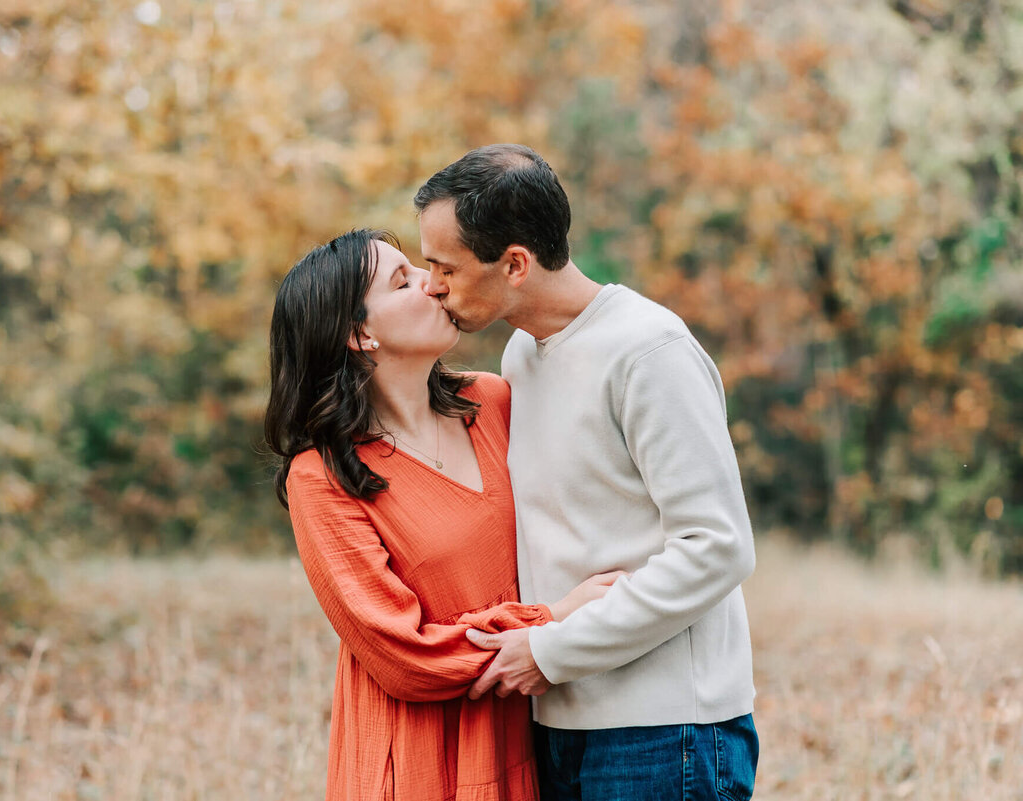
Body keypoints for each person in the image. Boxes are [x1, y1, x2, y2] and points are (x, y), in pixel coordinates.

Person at [414, 144, 760, 800]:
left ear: (515, 263)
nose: (432, 284)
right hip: (559, 723)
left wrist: (552, 652)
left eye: (445, 267)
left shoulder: (648, 351)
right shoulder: (522, 355)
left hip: (666, 731)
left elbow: (718, 547)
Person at [264, 228, 622, 801]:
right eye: (402, 281)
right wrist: (553, 619)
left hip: (529, 734)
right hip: (416, 759)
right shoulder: (324, 476)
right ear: (359, 332)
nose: (434, 285)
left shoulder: (496, 402)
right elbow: (403, 658)